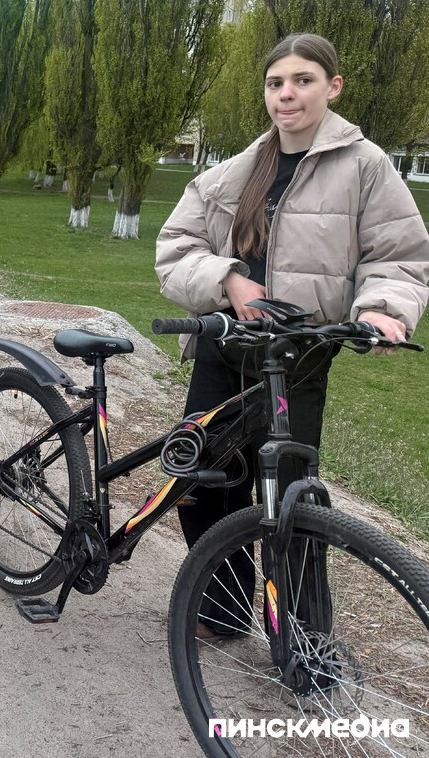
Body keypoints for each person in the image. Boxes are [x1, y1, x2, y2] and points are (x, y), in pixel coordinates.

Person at [155, 32, 429, 637]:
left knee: (292, 504)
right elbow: (175, 249)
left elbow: (398, 255)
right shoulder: (236, 170)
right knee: (206, 487)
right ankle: (221, 615)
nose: (287, 94)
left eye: (303, 80)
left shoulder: (366, 167)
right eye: (276, 83)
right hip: (224, 351)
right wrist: (229, 280)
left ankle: (303, 645)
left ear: (333, 87)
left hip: (299, 360)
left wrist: (383, 309)